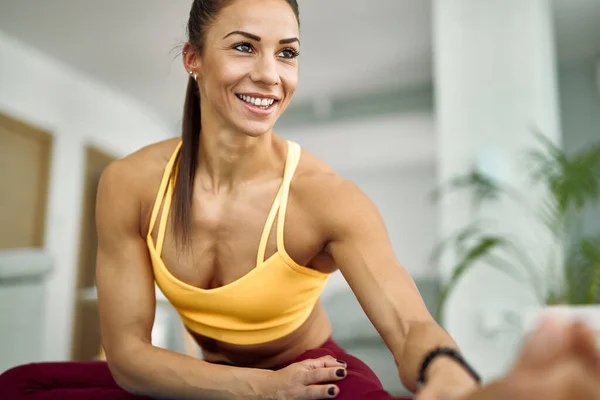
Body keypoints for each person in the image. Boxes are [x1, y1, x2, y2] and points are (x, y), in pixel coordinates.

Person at [0, 0, 599, 399]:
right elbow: (129, 355)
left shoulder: (326, 199)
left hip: (317, 378)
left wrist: (450, 375)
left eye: (287, 52)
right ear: (192, 58)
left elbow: (411, 323)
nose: (270, 74)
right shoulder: (130, 183)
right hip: (216, 380)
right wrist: (262, 390)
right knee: (21, 384)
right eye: (243, 47)